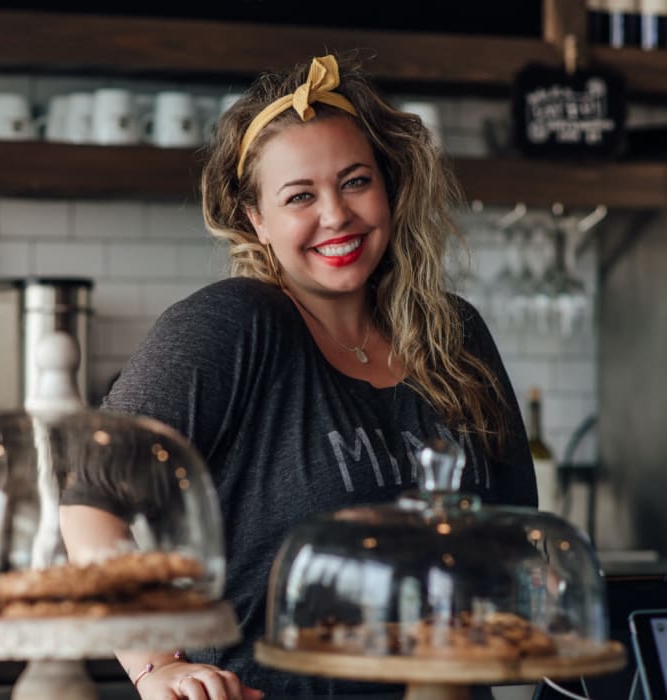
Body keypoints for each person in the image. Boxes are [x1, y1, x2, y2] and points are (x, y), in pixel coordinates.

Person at [64, 51, 537, 699]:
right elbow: (91, 501)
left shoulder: (456, 336)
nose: (336, 216)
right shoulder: (231, 327)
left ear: (389, 190)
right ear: (255, 220)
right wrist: (155, 664)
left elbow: (515, 533)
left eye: (355, 181)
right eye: (299, 197)